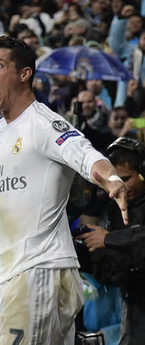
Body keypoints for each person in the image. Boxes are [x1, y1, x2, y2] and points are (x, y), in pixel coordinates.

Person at [0, 36, 129, 345]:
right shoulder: (5, 133)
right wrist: (6, 256)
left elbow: (83, 152)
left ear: (25, 74)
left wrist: (111, 179)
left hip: (38, 271)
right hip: (21, 270)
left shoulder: (42, 122)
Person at [78, 137, 145, 345]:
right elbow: (112, 271)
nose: (121, 187)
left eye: (127, 178)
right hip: (133, 304)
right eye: (117, 180)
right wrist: (86, 248)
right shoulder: (113, 208)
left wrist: (108, 239)